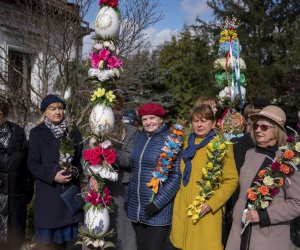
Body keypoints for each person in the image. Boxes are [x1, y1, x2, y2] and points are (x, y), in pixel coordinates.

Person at [225, 105, 300, 250]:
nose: (258, 130)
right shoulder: (250, 153)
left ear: (277, 130)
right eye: (256, 126)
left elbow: (297, 203)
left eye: (264, 127)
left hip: (267, 239)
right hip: (238, 235)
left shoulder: (288, 160)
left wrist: (264, 216)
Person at [170, 104, 238, 250]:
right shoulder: (186, 142)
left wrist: (211, 204)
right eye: (195, 121)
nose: (199, 124)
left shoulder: (222, 145)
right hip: (182, 211)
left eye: (204, 120)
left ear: (213, 123)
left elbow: (231, 180)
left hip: (205, 213)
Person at [28, 94, 83, 249]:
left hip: (69, 196)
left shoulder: (73, 132)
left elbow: (79, 161)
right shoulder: (37, 133)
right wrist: (53, 176)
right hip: (49, 195)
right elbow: (32, 164)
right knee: (49, 245)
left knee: (70, 245)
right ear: (45, 112)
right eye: (53, 109)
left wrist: (74, 171)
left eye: (60, 108)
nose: (57, 112)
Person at [126, 102, 182, 250]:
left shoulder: (171, 140)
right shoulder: (140, 138)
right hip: (137, 209)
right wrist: (129, 199)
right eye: (144, 119)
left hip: (157, 211)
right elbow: (134, 170)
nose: (148, 122)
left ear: (160, 119)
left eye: (152, 118)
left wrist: (157, 203)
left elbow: (176, 176)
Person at [89, 93, 138, 250]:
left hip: (120, 189)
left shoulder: (131, 131)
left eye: (118, 109)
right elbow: (86, 156)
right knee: (97, 229)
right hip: (98, 189)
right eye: (110, 109)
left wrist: (111, 151)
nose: (114, 113)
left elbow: (131, 159)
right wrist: (90, 174)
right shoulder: (94, 129)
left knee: (123, 232)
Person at [0, 101, 33, 249]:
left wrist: (27, 193)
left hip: (16, 199)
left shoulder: (18, 132)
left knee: (14, 241)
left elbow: (26, 166)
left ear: (4, 114)